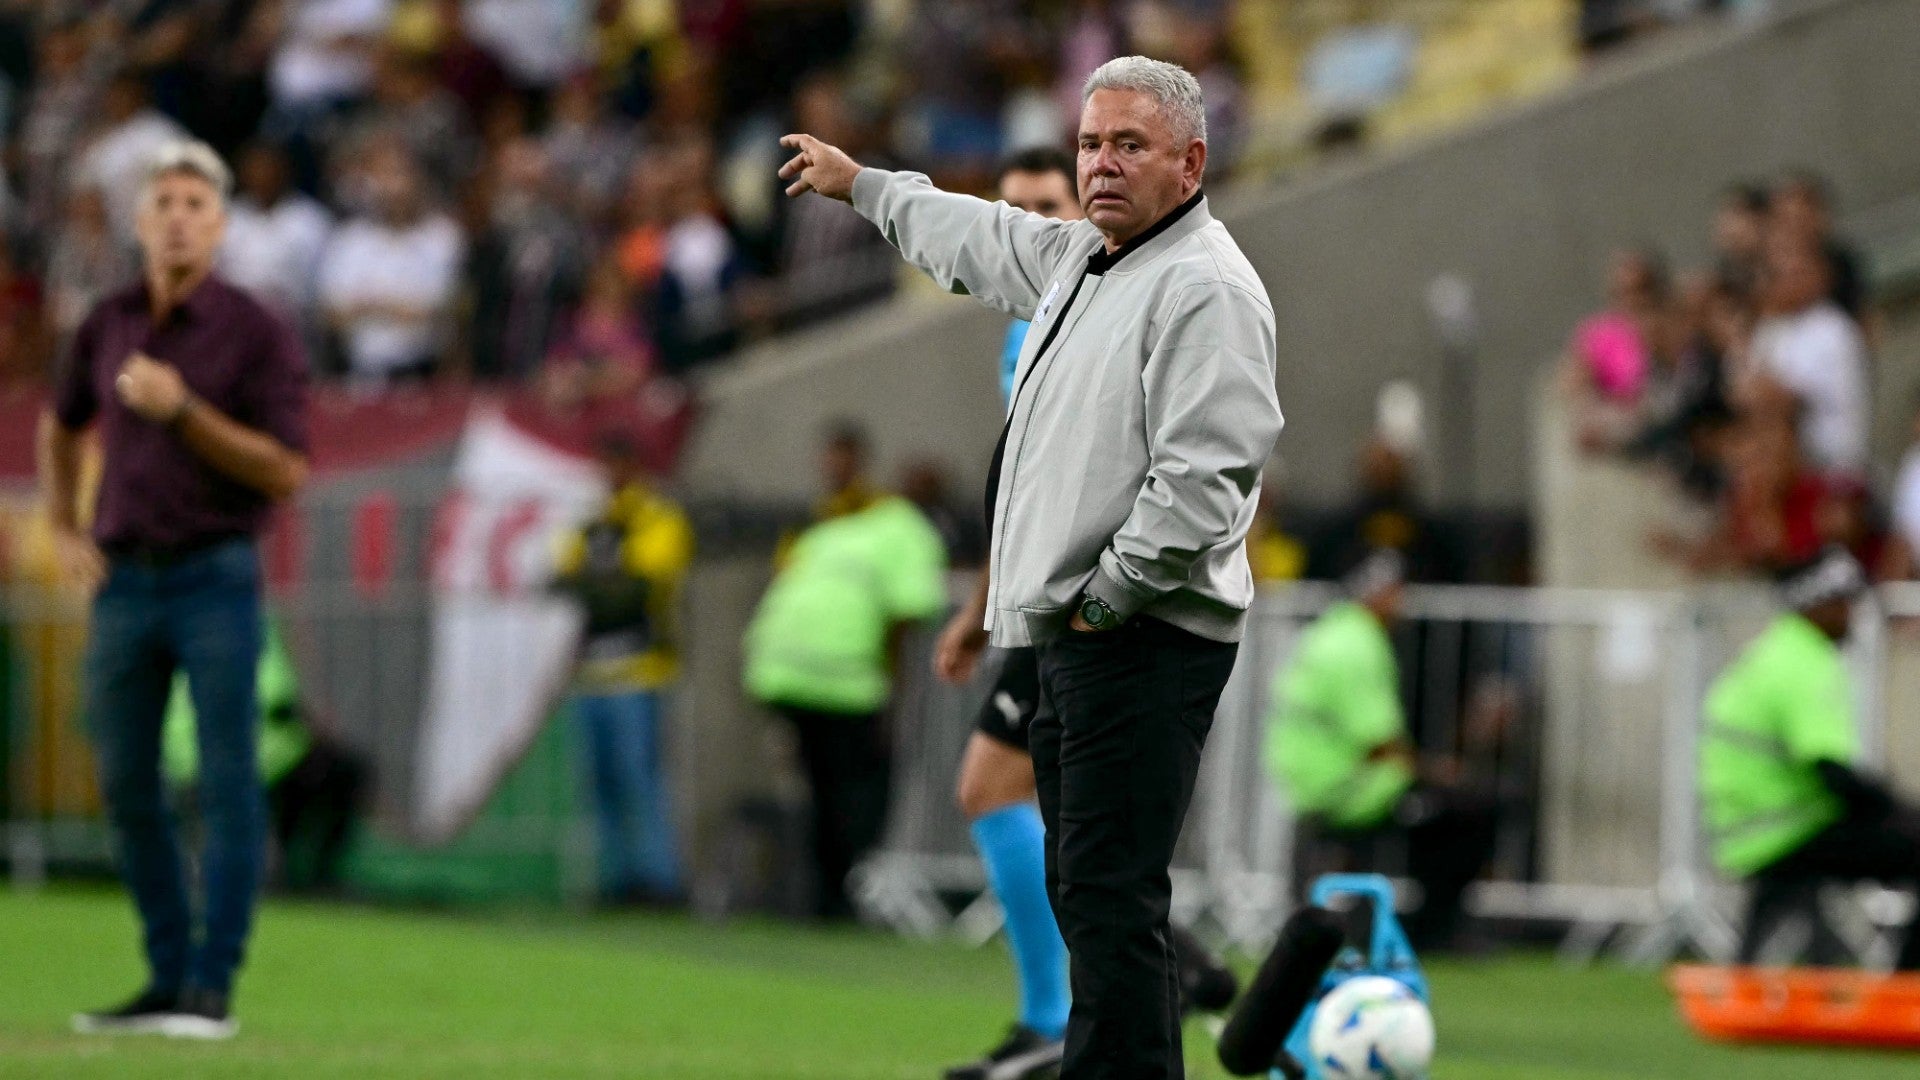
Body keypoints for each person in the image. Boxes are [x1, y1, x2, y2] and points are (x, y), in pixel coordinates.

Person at [781, 55, 1283, 1077]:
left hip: (1140, 636)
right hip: (1087, 635)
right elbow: (978, 235)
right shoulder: (1087, 257)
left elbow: (1206, 479)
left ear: (1191, 162)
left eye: (1128, 145)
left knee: (1107, 898)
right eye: (1092, 143)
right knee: (1095, 896)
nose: (1101, 165)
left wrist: (1108, 594)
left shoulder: (1207, 287)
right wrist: (866, 186)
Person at [43, 140, 310, 1039]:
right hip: (124, 580)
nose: (179, 216)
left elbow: (286, 468)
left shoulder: (254, 329)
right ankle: (164, 975)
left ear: (222, 223)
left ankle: (211, 987)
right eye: (164, 202)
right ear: (140, 220)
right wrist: (64, 526)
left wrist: (184, 411)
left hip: (214, 576)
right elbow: (61, 420)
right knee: (123, 779)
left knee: (228, 780)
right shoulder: (110, 319)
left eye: (197, 202)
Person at [932, 146, 1082, 1080]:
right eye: (1014, 210)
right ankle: (1067, 1019)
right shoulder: (1022, 328)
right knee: (1050, 807)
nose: (1030, 226)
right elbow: (1015, 484)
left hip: (1078, 603)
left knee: (994, 788)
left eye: (1047, 207)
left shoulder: (1080, 318)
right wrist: (978, 608)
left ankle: (1057, 1021)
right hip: (1035, 598)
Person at [743, 423, 949, 921]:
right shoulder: (897, 530)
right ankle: (842, 896)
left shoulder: (827, 530)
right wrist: (892, 689)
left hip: (783, 674)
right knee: (855, 792)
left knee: (821, 789)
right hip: (844, 682)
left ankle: (822, 897)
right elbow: (906, 616)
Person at [1265, 551, 1498, 951]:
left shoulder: (1328, 632)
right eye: (1396, 591)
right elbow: (1378, 743)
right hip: (1350, 786)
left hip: (1309, 781)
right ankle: (1432, 931)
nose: (1401, 602)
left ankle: (1414, 925)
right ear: (1376, 593)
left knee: (1450, 807)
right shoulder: (1359, 645)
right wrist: (1436, 771)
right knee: (1472, 809)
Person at [1703, 549, 1920, 969]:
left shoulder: (1772, 653)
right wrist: (1897, 808)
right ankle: (1906, 989)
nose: (1851, 614)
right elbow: (1830, 771)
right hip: (1789, 831)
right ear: (1815, 604)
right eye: (1843, 602)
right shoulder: (1806, 663)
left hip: (1747, 831)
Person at [551, 435, 696, 906]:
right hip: (591, 673)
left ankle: (660, 878)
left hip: (638, 670)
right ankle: (619, 878)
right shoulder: (592, 524)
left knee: (642, 778)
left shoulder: (656, 518)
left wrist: (596, 586)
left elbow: (635, 592)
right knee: (602, 783)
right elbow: (561, 577)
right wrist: (602, 586)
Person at [161, 617, 370, 894]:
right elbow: (275, 698)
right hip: (240, 759)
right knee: (333, 773)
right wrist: (311, 727)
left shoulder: (184, 626)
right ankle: (307, 875)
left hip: (187, 760)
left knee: (309, 774)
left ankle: (283, 869)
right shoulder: (245, 623)